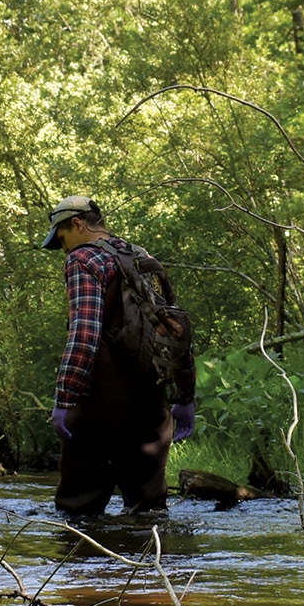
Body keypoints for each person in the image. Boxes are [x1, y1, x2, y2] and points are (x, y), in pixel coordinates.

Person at [42, 196, 197, 515]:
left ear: (78, 224)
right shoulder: (139, 256)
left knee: (79, 511)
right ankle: (152, 563)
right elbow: (174, 327)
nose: (65, 249)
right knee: (149, 511)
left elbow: (84, 333)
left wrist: (64, 400)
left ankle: (84, 565)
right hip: (149, 400)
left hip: (98, 402)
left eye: (62, 240)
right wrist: (185, 396)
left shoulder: (83, 259)